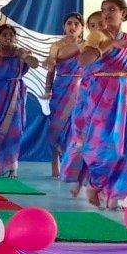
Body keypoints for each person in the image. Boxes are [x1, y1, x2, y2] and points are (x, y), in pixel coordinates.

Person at [75, 0, 127, 210]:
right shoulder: (98, 35)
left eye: (112, 9)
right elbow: (83, 61)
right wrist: (110, 44)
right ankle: (95, 184)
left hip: (126, 96)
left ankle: (116, 196)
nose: (106, 13)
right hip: (101, 95)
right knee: (106, 146)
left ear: (123, 13)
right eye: (104, 9)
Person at [0, 24, 39, 178]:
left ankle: (12, 168)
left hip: (14, 96)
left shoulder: (20, 53)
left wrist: (23, 56)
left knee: (13, 131)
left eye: (11, 34)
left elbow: (35, 64)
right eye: (4, 34)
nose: (8, 37)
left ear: (15, 37)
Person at [62, 12, 103, 196]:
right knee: (84, 140)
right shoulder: (86, 47)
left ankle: (100, 187)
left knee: (103, 143)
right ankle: (79, 181)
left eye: (100, 24)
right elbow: (66, 56)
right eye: (92, 26)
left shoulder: (115, 46)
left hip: (108, 99)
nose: (97, 28)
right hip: (87, 98)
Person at [43, 13, 84, 179]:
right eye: (69, 23)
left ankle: (72, 164)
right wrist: (47, 89)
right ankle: (55, 159)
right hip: (60, 88)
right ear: (64, 26)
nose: (72, 27)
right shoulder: (57, 46)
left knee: (76, 127)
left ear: (82, 28)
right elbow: (50, 70)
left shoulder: (87, 45)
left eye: (76, 24)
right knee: (56, 126)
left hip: (80, 90)